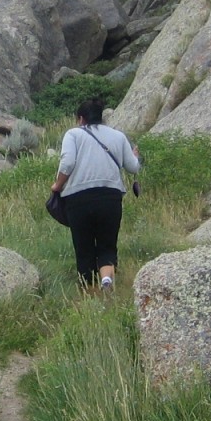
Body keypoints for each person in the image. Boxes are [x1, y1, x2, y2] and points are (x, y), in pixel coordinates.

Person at [50, 98, 140, 292]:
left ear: (81, 119)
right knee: (107, 244)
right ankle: (106, 280)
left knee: (84, 248)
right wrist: (135, 156)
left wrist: (57, 185)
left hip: (78, 199)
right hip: (110, 197)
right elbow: (133, 167)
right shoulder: (118, 136)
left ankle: (88, 291)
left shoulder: (73, 134)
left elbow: (67, 163)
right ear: (101, 117)